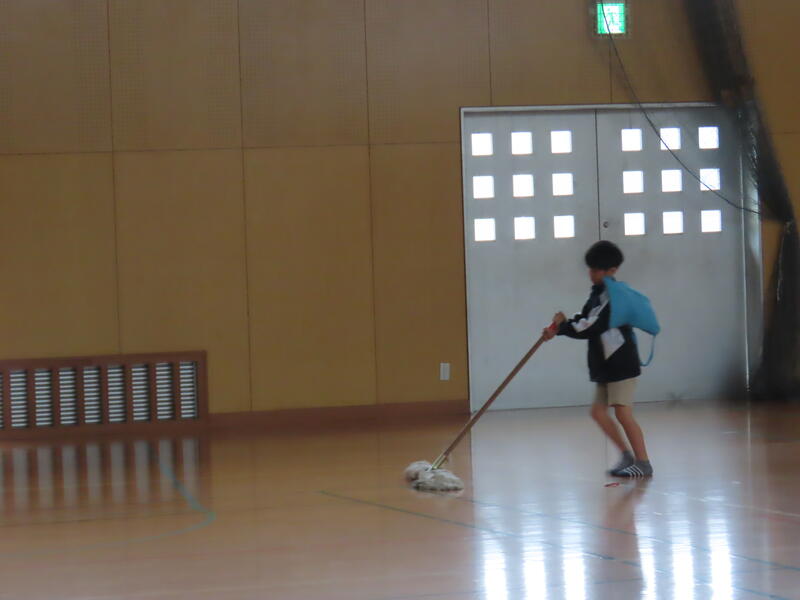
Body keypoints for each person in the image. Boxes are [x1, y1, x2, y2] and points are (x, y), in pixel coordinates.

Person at [543, 241, 653, 478]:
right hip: (606, 364)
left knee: (623, 413)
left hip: (621, 363)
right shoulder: (597, 293)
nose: (591, 274)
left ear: (612, 270)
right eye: (590, 269)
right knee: (598, 412)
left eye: (596, 270)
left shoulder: (615, 298)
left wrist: (562, 328)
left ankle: (643, 463)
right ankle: (626, 455)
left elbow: (592, 326)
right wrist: (560, 327)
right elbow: (584, 318)